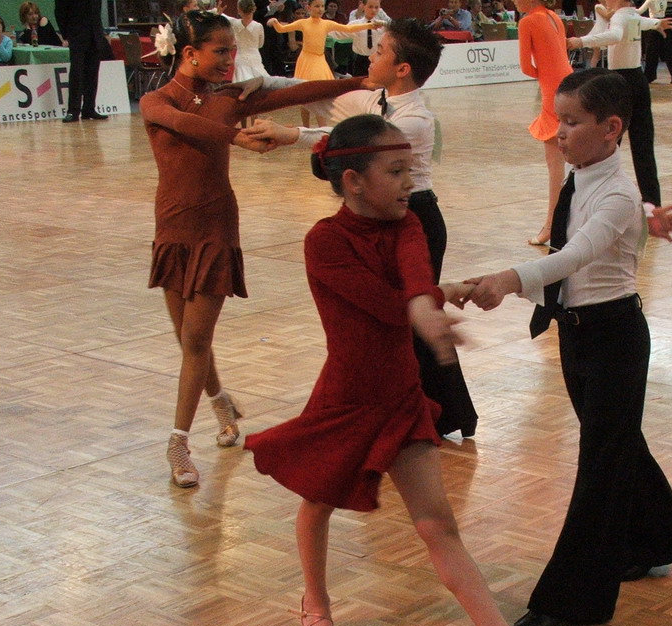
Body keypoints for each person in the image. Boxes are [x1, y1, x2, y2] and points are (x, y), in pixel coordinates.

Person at [242, 114, 566, 626]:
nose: (409, 182)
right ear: (353, 181)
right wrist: (432, 305)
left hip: (399, 397)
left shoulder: (409, 221)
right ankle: (316, 603)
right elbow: (384, 303)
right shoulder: (324, 241)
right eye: (395, 171)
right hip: (345, 399)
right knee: (317, 504)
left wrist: (430, 300)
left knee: (438, 526)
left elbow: (415, 278)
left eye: (410, 169)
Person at [462, 69, 672, 626]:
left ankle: (574, 599)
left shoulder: (615, 193)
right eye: (558, 120)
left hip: (614, 339)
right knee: (616, 445)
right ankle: (659, 538)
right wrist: (646, 219)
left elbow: (575, 255)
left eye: (571, 122)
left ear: (611, 128)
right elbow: (597, 230)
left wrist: (509, 280)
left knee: (600, 467)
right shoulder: (592, 181)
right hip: (577, 334)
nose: (558, 132)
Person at [141, 11, 370, 488]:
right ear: (189, 53)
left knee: (196, 339)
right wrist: (235, 136)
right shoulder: (155, 101)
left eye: (232, 50)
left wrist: (363, 80)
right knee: (189, 340)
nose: (230, 60)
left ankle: (178, 443)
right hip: (172, 228)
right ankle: (221, 402)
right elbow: (182, 122)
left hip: (216, 227)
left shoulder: (230, 98)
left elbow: (301, 93)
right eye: (221, 51)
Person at [239, 20, 480, 440]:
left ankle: (434, 415)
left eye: (381, 50)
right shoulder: (373, 98)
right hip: (380, 215)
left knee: (412, 317)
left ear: (402, 68)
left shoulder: (415, 120)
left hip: (415, 216)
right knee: (404, 318)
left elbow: (353, 141)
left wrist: (290, 133)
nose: (371, 55)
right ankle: (428, 414)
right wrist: (264, 81)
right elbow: (319, 95)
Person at [565, 0, 672, 208]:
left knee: (607, 142)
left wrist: (580, 41)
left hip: (620, 83)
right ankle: (652, 203)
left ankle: (591, 193)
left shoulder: (620, 17)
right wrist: (656, 23)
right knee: (643, 143)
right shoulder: (631, 15)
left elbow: (615, 36)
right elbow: (642, 22)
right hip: (638, 80)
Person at [517, 0, 573, 246]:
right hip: (569, 84)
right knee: (566, 162)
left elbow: (526, 67)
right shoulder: (553, 16)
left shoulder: (528, 21)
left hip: (553, 92)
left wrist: (545, 74)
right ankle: (561, 222)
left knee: (555, 165)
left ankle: (552, 225)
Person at [269, 0, 376, 125]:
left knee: (319, 94)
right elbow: (282, 29)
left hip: (319, 61)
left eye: (322, 6)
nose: (320, 9)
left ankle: (322, 126)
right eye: (317, 6)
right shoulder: (303, 23)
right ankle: (306, 127)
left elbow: (348, 28)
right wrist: (274, 21)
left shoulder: (326, 24)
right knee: (304, 96)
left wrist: (369, 26)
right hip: (306, 60)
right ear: (309, 8)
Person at [56, 0, 109, 122]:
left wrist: (99, 33)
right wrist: (67, 34)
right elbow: (60, 12)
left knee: (92, 74)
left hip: (95, 35)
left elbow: (97, 10)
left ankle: (89, 108)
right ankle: (73, 111)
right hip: (77, 35)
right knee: (76, 74)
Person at [640, 0, 672, 83]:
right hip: (664, 19)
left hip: (661, 20)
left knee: (654, 48)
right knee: (665, 48)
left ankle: (650, 76)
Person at [228, 0, 268, 82]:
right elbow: (260, 44)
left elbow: (222, 16)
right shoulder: (258, 26)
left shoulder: (235, 23)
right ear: (254, 9)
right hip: (255, 57)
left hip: (240, 58)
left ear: (239, 10)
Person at [348, 0, 390, 76]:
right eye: (370, 7)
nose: (373, 10)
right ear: (363, 6)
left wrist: (384, 24)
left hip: (377, 58)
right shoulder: (355, 24)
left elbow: (395, 27)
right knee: (359, 81)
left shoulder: (383, 25)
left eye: (376, 7)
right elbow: (342, 32)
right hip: (359, 59)